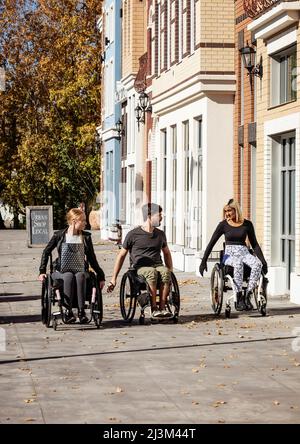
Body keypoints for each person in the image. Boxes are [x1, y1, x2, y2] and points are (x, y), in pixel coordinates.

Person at [38, 208, 105, 323]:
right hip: (61, 270)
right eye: (83, 221)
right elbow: (46, 251)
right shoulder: (59, 235)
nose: (85, 223)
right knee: (68, 276)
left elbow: (92, 258)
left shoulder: (86, 237)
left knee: (80, 276)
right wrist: (42, 271)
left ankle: (81, 311)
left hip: (80, 269)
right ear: (74, 221)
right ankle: (68, 311)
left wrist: (101, 275)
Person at [199, 199, 268, 311]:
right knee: (238, 263)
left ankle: (248, 294)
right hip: (229, 255)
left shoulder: (247, 224)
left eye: (229, 211)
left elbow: (254, 244)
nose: (227, 213)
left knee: (257, 264)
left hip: (244, 253)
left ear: (236, 211)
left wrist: (263, 261)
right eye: (225, 211)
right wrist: (203, 261)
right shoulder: (223, 225)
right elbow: (211, 243)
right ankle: (239, 296)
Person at [107, 203, 173, 318]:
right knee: (151, 272)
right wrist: (114, 278)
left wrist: (170, 269)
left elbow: (166, 253)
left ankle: (163, 308)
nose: (161, 217)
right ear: (149, 216)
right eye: (159, 215)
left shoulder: (160, 234)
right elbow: (121, 256)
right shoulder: (133, 235)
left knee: (165, 272)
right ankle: (154, 308)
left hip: (157, 264)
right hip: (139, 268)